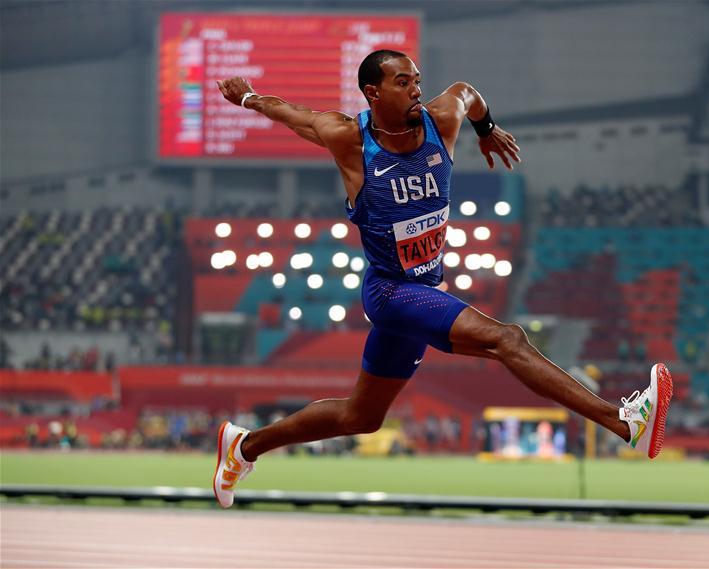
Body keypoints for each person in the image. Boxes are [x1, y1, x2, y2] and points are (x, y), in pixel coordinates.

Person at [212, 50, 673, 508]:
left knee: (362, 416)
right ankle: (625, 421)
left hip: (424, 290)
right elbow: (294, 115)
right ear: (373, 92)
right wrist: (249, 97)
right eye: (401, 82)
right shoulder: (349, 140)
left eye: (416, 79)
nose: (415, 88)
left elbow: (467, 94)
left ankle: (244, 446)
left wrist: (487, 128)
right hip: (390, 292)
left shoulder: (441, 119)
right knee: (507, 339)